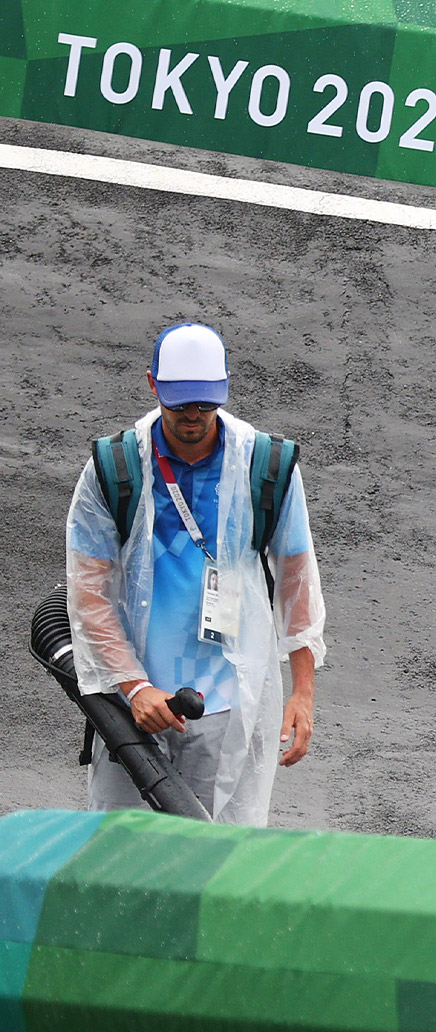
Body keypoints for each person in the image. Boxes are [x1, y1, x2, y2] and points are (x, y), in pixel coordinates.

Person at [64, 323, 325, 826]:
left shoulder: (267, 467)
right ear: (152, 384)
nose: (192, 416)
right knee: (121, 861)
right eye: (180, 403)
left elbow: (298, 581)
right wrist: (136, 688)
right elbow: (88, 592)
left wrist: (303, 692)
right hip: (131, 707)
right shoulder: (113, 468)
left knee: (217, 865)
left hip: (227, 708)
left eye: (204, 404)